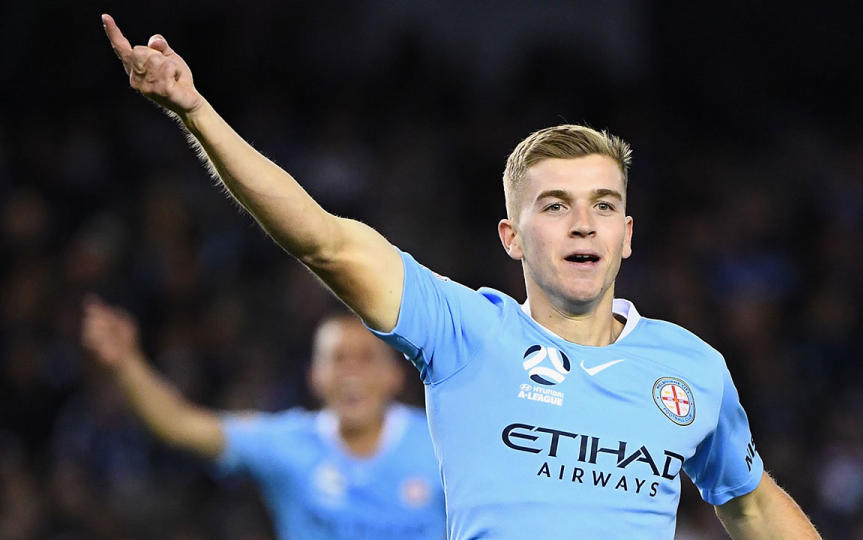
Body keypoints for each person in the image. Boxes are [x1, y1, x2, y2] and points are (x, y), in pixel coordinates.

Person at [100, 13, 820, 538]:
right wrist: (196, 113)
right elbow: (325, 242)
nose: (582, 224)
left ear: (626, 236)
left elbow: (751, 504)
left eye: (604, 206)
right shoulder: (467, 331)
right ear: (511, 237)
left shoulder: (692, 369)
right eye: (556, 206)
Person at [80, 296, 446, 539]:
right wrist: (126, 363)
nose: (350, 373)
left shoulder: (441, 447)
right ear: (314, 376)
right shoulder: (287, 443)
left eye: (365, 359)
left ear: (395, 375)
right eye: (337, 359)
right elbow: (180, 425)